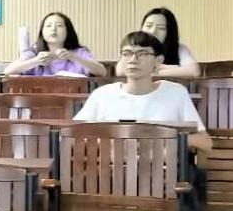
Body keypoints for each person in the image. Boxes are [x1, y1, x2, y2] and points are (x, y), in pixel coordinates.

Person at [78, 32, 211, 152]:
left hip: (162, 169)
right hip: (109, 169)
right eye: (126, 53)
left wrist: (159, 143)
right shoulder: (102, 94)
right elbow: (71, 137)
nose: (133, 60)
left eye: (142, 54)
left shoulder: (176, 93)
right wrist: (112, 144)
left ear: (158, 61)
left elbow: (204, 141)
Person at [5, 12, 106, 77]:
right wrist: (36, 61)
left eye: (59, 25)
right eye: (48, 26)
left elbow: (102, 72)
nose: (53, 29)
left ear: (68, 31)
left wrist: (74, 57)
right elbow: (8, 71)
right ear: (42, 32)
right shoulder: (34, 53)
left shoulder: (79, 52)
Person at [116, 8, 200, 79]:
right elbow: (120, 71)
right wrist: (171, 68)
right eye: (148, 26)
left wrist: (153, 70)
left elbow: (194, 71)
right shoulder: (133, 46)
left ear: (169, 32)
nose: (153, 31)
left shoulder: (179, 48)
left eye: (161, 28)